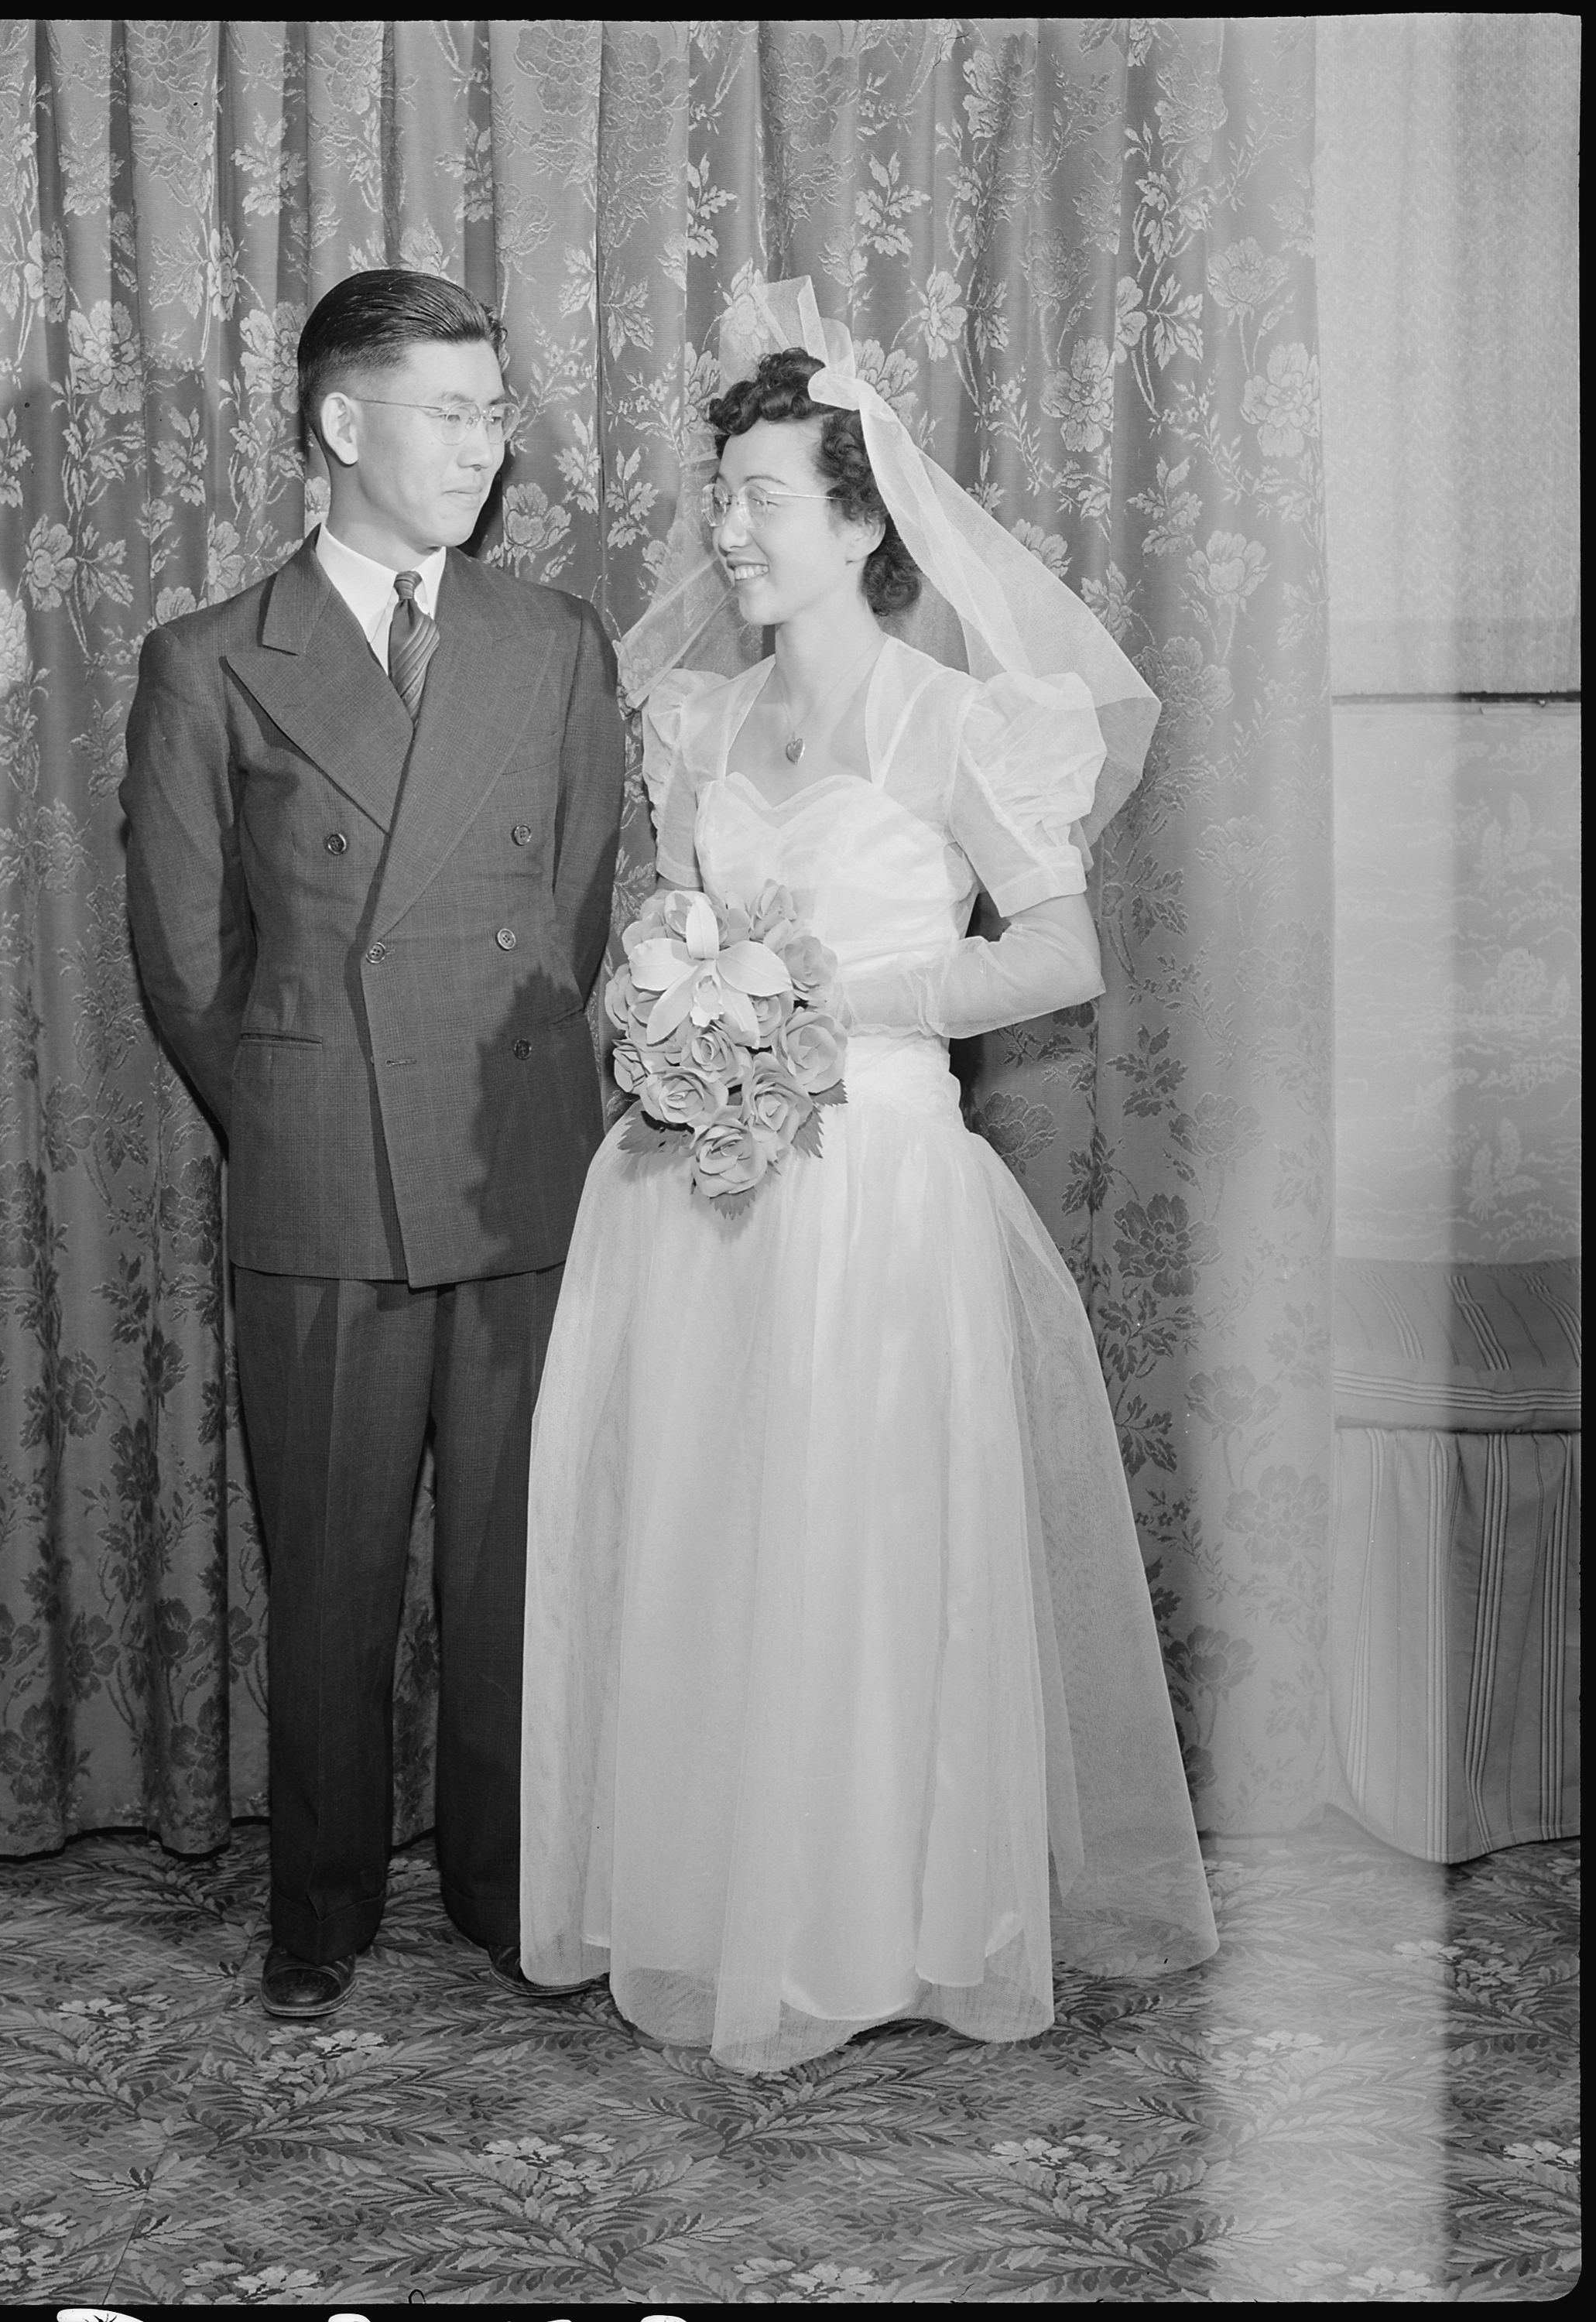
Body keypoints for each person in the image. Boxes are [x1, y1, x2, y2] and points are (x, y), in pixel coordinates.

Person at [519, 279, 1218, 2075]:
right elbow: (670, 926)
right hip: (698, 1182)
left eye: (762, 498)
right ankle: (707, 1896)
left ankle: (868, 1921)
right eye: (722, 495)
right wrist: (671, 1017)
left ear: (858, 522)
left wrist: (843, 1009)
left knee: (864, 1540)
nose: (728, 530)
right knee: (712, 1530)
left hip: (883, 1181)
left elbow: (1056, 958)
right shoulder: (689, 719)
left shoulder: (960, 724)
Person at [121, 270, 625, 2021]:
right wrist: (303, 1104)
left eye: (500, 413)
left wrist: (502, 1094)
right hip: (326, 1177)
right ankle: (319, 1911)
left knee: (511, 1572)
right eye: (454, 410)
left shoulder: (555, 641)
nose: (491, 445)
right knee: (324, 1575)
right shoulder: (206, 663)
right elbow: (189, 965)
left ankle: (503, 1886)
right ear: (343, 424)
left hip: (511, 1169)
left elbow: (567, 908)